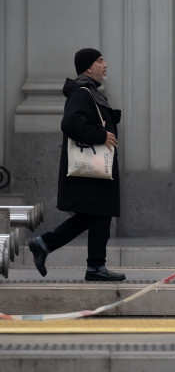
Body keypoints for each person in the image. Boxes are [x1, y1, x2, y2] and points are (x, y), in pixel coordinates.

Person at [28, 48, 125, 281]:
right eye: (100, 61)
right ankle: (91, 265)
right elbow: (70, 123)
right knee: (98, 213)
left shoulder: (90, 91)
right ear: (89, 66)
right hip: (91, 167)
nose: (105, 65)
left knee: (97, 214)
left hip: (95, 167)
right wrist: (101, 135)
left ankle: (90, 264)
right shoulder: (83, 92)